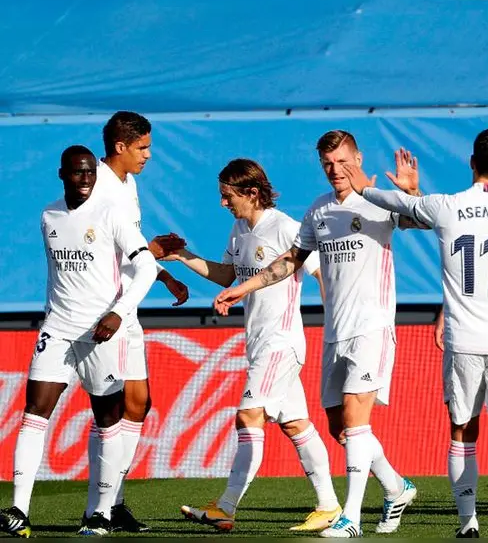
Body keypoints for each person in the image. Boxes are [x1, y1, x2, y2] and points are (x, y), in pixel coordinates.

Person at [341, 128, 488, 538]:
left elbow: (387, 200)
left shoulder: (446, 206)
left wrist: (360, 180)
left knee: (462, 432)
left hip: (462, 341)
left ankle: (468, 521)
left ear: (471, 163)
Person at [213, 132, 422, 538]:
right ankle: (397, 487)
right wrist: (244, 287)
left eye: (342, 161)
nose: (335, 170)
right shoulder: (318, 210)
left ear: (357, 158)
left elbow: (420, 219)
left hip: (373, 327)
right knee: (338, 428)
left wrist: (412, 194)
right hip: (336, 333)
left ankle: (351, 518)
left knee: (356, 418)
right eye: (327, 163)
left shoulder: (380, 200)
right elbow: (293, 259)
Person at [165, 159, 341, 532]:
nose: (223, 204)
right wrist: (183, 257)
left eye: (227, 196)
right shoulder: (238, 230)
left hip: (281, 343)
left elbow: (321, 273)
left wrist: (334, 323)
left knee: (248, 416)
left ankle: (226, 507)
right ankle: (328, 506)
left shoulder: (286, 227)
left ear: (252, 192)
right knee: (295, 425)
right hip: (260, 344)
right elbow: (228, 275)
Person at [0, 146, 158, 537]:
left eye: (90, 172)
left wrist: (118, 313)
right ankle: (19, 509)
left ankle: (99, 512)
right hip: (58, 328)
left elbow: (146, 267)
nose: (85, 179)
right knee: (34, 412)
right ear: (62, 174)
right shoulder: (49, 215)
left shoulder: (110, 212)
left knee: (108, 419)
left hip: (103, 332)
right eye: (77, 173)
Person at [83, 111, 189, 533]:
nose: (148, 155)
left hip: (129, 306)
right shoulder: (98, 186)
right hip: (105, 312)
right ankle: (98, 509)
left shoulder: (130, 183)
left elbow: (134, 248)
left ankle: (114, 501)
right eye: (142, 148)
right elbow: (96, 247)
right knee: (110, 412)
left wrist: (161, 273)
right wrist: (157, 253)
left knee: (138, 405)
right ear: (121, 146)